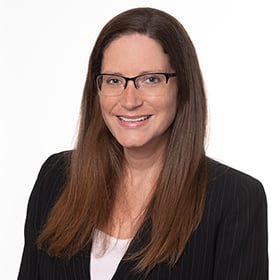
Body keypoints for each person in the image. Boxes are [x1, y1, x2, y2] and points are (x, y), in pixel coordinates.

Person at [17, 7, 268, 280]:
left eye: (150, 79)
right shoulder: (57, 176)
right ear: (97, 89)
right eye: (114, 80)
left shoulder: (234, 199)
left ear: (182, 86)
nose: (129, 100)